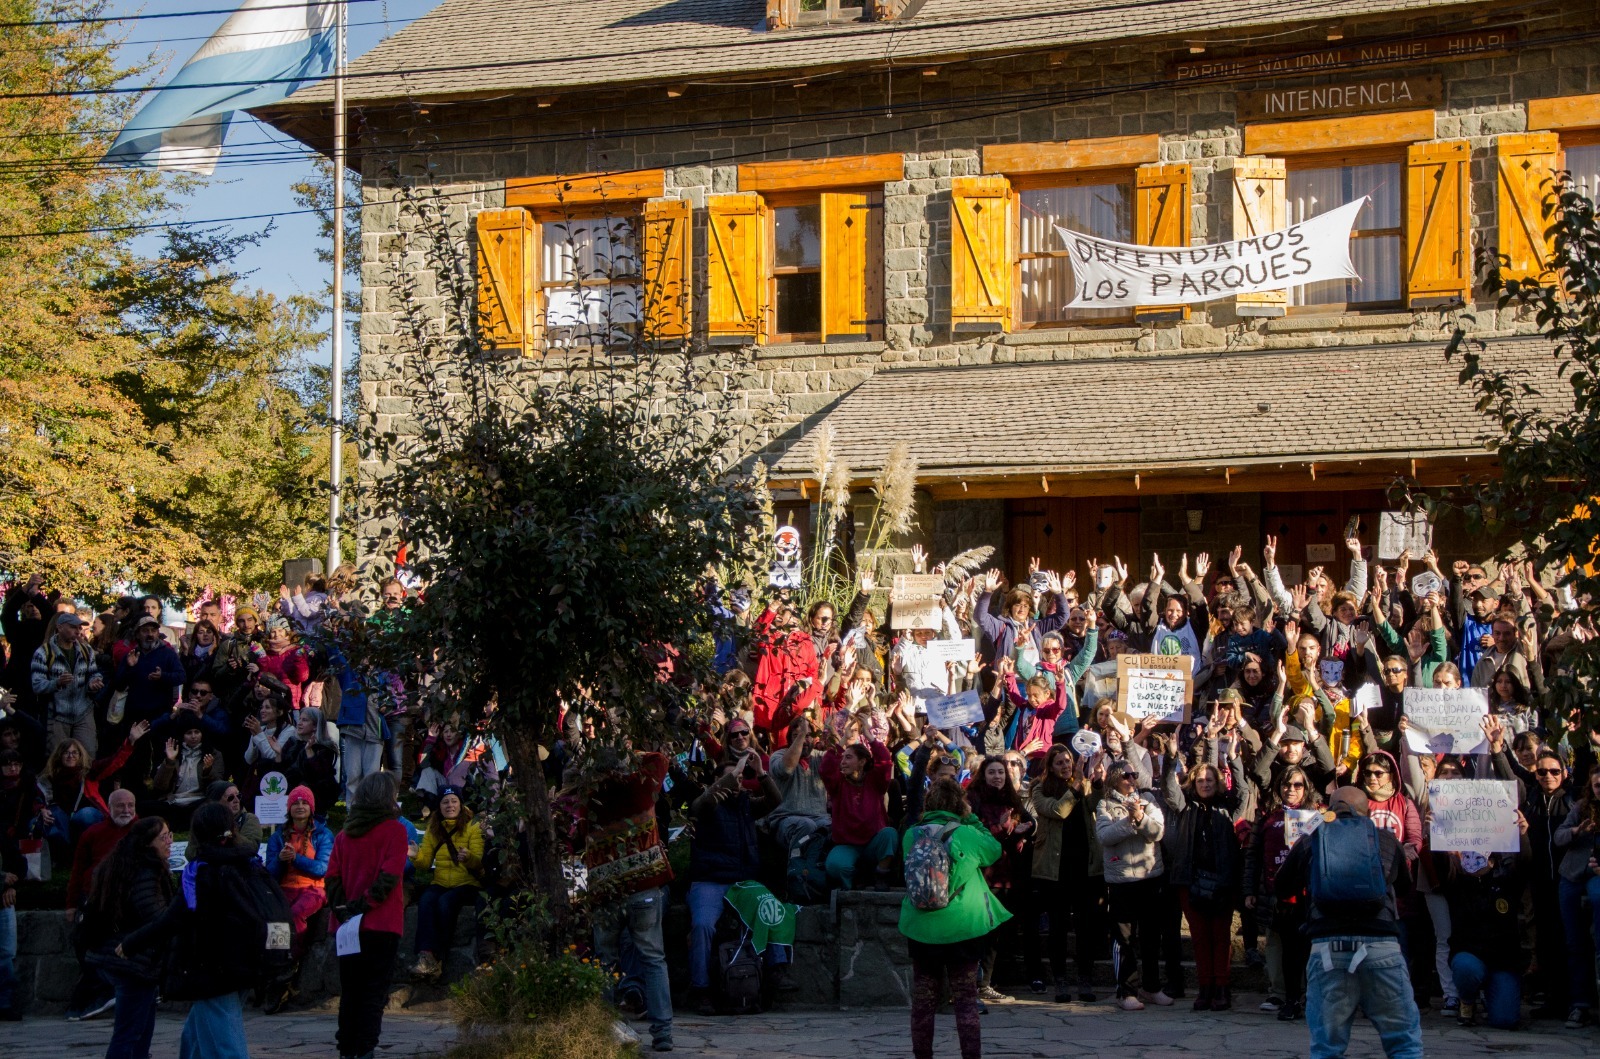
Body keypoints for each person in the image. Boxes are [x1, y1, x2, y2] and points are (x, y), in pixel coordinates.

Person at [1275, 786, 1422, 1059]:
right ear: (1368, 812)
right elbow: (1404, 888)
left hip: (1329, 946)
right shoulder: (1387, 839)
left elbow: (1281, 886)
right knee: (1404, 1043)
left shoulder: (1311, 838)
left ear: (1329, 810)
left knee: (1327, 1048)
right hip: (1382, 946)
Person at [118, 801, 272, 1059]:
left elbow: (174, 918)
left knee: (225, 1042)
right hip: (249, 960)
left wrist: (131, 943)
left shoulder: (200, 870)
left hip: (213, 967)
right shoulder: (249, 862)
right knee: (196, 1035)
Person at [899, 778, 1011, 1059]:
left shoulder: (911, 834)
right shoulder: (966, 833)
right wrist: (971, 817)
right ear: (959, 805)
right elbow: (994, 851)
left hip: (921, 927)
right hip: (963, 927)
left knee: (923, 1001)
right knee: (965, 1000)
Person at [580, 750, 673, 1052]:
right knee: (653, 958)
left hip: (606, 890)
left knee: (604, 961)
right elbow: (661, 758)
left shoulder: (590, 795)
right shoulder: (641, 783)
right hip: (644, 886)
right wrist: (633, 751)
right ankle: (663, 1034)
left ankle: (606, 1027)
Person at [686, 753, 785, 1013]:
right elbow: (704, 801)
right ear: (718, 781)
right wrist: (733, 772)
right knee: (702, 925)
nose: (738, 780)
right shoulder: (706, 805)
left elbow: (776, 800)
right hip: (709, 880)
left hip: (742, 883)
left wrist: (761, 773)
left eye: (740, 776)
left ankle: (776, 975)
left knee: (771, 909)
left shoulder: (746, 805)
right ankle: (701, 990)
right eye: (732, 776)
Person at [327, 771, 409, 1059]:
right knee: (373, 994)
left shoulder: (343, 835)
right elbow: (388, 877)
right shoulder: (395, 831)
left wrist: (343, 909)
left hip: (346, 926)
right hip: (380, 923)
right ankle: (364, 1050)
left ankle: (347, 1049)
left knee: (350, 992)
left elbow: (332, 878)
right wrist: (363, 905)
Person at [1160, 740, 1244, 1011]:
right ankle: (1205, 987)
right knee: (1199, 938)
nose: (1205, 784)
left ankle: (1222, 988)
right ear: (1193, 783)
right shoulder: (1186, 808)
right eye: (1200, 780)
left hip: (1222, 882)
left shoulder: (1228, 807)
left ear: (1217, 782)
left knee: (1221, 937)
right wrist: (1171, 757)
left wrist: (1233, 759)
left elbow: (1243, 792)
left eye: (1210, 780)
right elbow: (1170, 789)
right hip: (1191, 881)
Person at [82, 817, 173, 1057]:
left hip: (124, 959)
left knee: (139, 1032)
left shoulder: (124, 865)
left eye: (170, 835)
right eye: (163, 837)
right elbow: (156, 918)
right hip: (132, 962)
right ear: (147, 843)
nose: (169, 842)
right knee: (130, 1034)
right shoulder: (145, 872)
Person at [1243, 764, 1319, 1021]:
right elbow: (1252, 855)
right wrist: (1250, 889)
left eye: (1297, 785)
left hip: (1307, 892)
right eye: (1286, 784)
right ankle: (1278, 991)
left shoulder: (1316, 815)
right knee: (1274, 942)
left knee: (1307, 944)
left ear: (1305, 788)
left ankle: (1307, 992)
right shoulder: (1267, 816)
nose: (1291, 789)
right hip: (1274, 890)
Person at [1095, 758, 1169, 1010]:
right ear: (1115, 777)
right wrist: (1129, 821)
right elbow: (1104, 836)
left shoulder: (1148, 800)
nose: (1131, 779)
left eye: (1134, 775)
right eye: (1127, 775)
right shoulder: (1105, 804)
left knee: (1151, 937)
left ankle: (1151, 987)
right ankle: (1125, 991)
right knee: (1124, 939)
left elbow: (1158, 831)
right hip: (1122, 880)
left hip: (1150, 876)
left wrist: (1141, 816)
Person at [263, 785, 332, 1012]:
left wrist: (296, 859)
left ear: (311, 808)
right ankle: (278, 967)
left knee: (294, 915)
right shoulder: (277, 836)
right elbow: (269, 873)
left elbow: (323, 868)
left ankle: (289, 963)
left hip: (313, 889)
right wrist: (282, 861)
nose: (300, 807)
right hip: (285, 888)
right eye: (296, 803)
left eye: (304, 803)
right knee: (275, 919)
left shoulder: (323, 834)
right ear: (289, 808)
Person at [409, 785, 485, 981]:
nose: (450, 805)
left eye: (454, 801)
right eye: (445, 802)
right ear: (439, 806)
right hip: (441, 881)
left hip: (467, 883)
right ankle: (425, 954)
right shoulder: (434, 827)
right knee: (426, 901)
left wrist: (468, 857)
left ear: (460, 804)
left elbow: (479, 862)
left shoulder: (473, 826)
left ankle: (438, 956)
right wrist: (416, 855)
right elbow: (425, 864)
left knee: (445, 902)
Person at [1554, 763, 1600, 1028]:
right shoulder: (1580, 807)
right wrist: (1576, 831)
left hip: (1597, 878)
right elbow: (1559, 837)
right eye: (1597, 785)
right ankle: (1579, 1004)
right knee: (1574, 943)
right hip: (1572, 875)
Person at [819, 736, 897, 890]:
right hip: (847, 846)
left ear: (862, 762)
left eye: (848, 757)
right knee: (836, 866)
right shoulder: (838, 783)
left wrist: (871, 738)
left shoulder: (875, 782)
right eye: (842, 758)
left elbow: (884, 762)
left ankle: (881, 875)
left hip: (872, 843)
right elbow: (826, 769)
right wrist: (840, 743)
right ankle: (855, 881)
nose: (843, 762)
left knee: (890, 834)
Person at [30, 612, 104, 756]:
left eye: (79, 628)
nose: (77, 631)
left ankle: (85, 779)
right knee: (58, 757)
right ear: (59, 627)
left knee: (87, 755)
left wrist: (94, 683)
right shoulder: (43, 653)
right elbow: (37, 685)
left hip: (83, 712)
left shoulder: (86, 650)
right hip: (57, 715)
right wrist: (56, 683)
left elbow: (94, 673)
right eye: (72, 627)